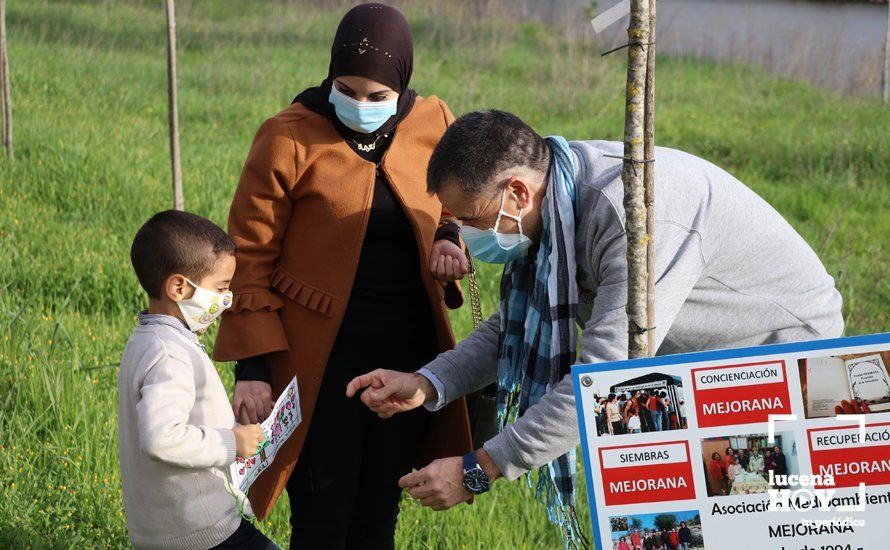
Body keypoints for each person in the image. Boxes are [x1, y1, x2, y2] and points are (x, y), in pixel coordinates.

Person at [347, 110, 844, 542]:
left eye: (475, 219)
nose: (473, 237)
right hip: (694, 356)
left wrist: (479, 469)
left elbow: (605, 382)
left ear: (518, 192)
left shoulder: (633, 219)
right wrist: (428, 382)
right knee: (678, 523)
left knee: (749, 521)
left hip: (780, 353)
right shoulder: (556, 201)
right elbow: (514, 329)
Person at [211, 5, 473, 548]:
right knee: (322, 515)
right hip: (316, 364)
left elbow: (452, 206)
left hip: (406, 361)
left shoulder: (433, 122)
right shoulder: (287, 136)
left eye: (379, 97)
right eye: (347, 89)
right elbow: (250, 257)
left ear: (402, 85)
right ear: (329, 74)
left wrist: (448, 240)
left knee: (379, 511)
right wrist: (254, 368)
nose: (361, 105)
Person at [117, 210, 275, 549]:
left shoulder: (149, 339)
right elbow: (162, 439)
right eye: (220, 288)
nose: (227, 299)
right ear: (178, 287)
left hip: (169, 527)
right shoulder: (169, 354)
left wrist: (231, 426)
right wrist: (233, 443)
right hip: (200, 529)